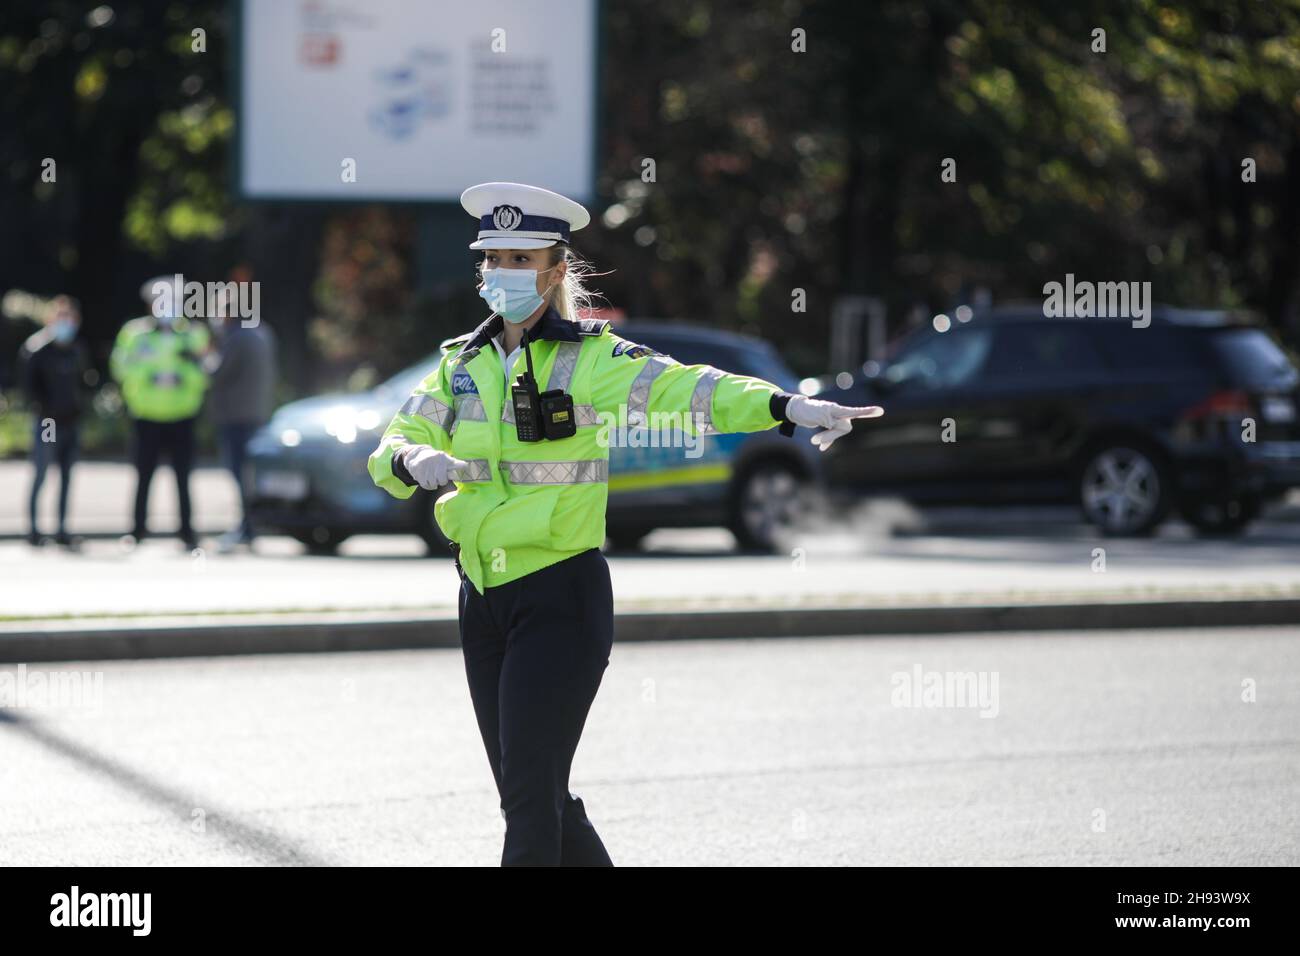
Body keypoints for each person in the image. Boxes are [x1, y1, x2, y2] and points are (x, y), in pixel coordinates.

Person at [367, 182, 883, 866]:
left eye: (521, 261)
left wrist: (788, 408)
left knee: (528, 808)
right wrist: (413, 458)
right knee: (540, 797)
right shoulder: (460, 363)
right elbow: (392, 441)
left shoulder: (591, 359)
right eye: (493, 259)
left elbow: (692, 390)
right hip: (481, 599)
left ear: (555, 269)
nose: (503, 273)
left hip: (560, 598)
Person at [110, 277, 210, 551]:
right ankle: (137, 530)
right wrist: (150, 376)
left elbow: (205, 372)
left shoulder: (193, 334)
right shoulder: (134, 334)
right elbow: (121, 368)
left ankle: (187, 533)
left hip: (182, 416)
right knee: (143, 476)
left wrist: (182, 377)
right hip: (146, 415)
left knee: (183, 476)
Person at [204, 279, 277, 553]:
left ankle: (247, 527)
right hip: (257, 412)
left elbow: (216, 372)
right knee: (249, 473)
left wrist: (203, 358)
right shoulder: (262, 332)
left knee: (239, 473)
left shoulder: (236, 337)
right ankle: (250, 525)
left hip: (235, 416)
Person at [18, 295, 90, 548]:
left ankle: (62, 529)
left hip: (71, 420)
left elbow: (83, 383)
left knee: (67, 475)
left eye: (69, 318)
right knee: (42, 471)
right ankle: (34, 530)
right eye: (61, 317)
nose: (66, 323)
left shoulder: (76, 349)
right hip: (49, 422)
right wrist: (46, 411)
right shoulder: (37, 349)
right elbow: (29, 389)